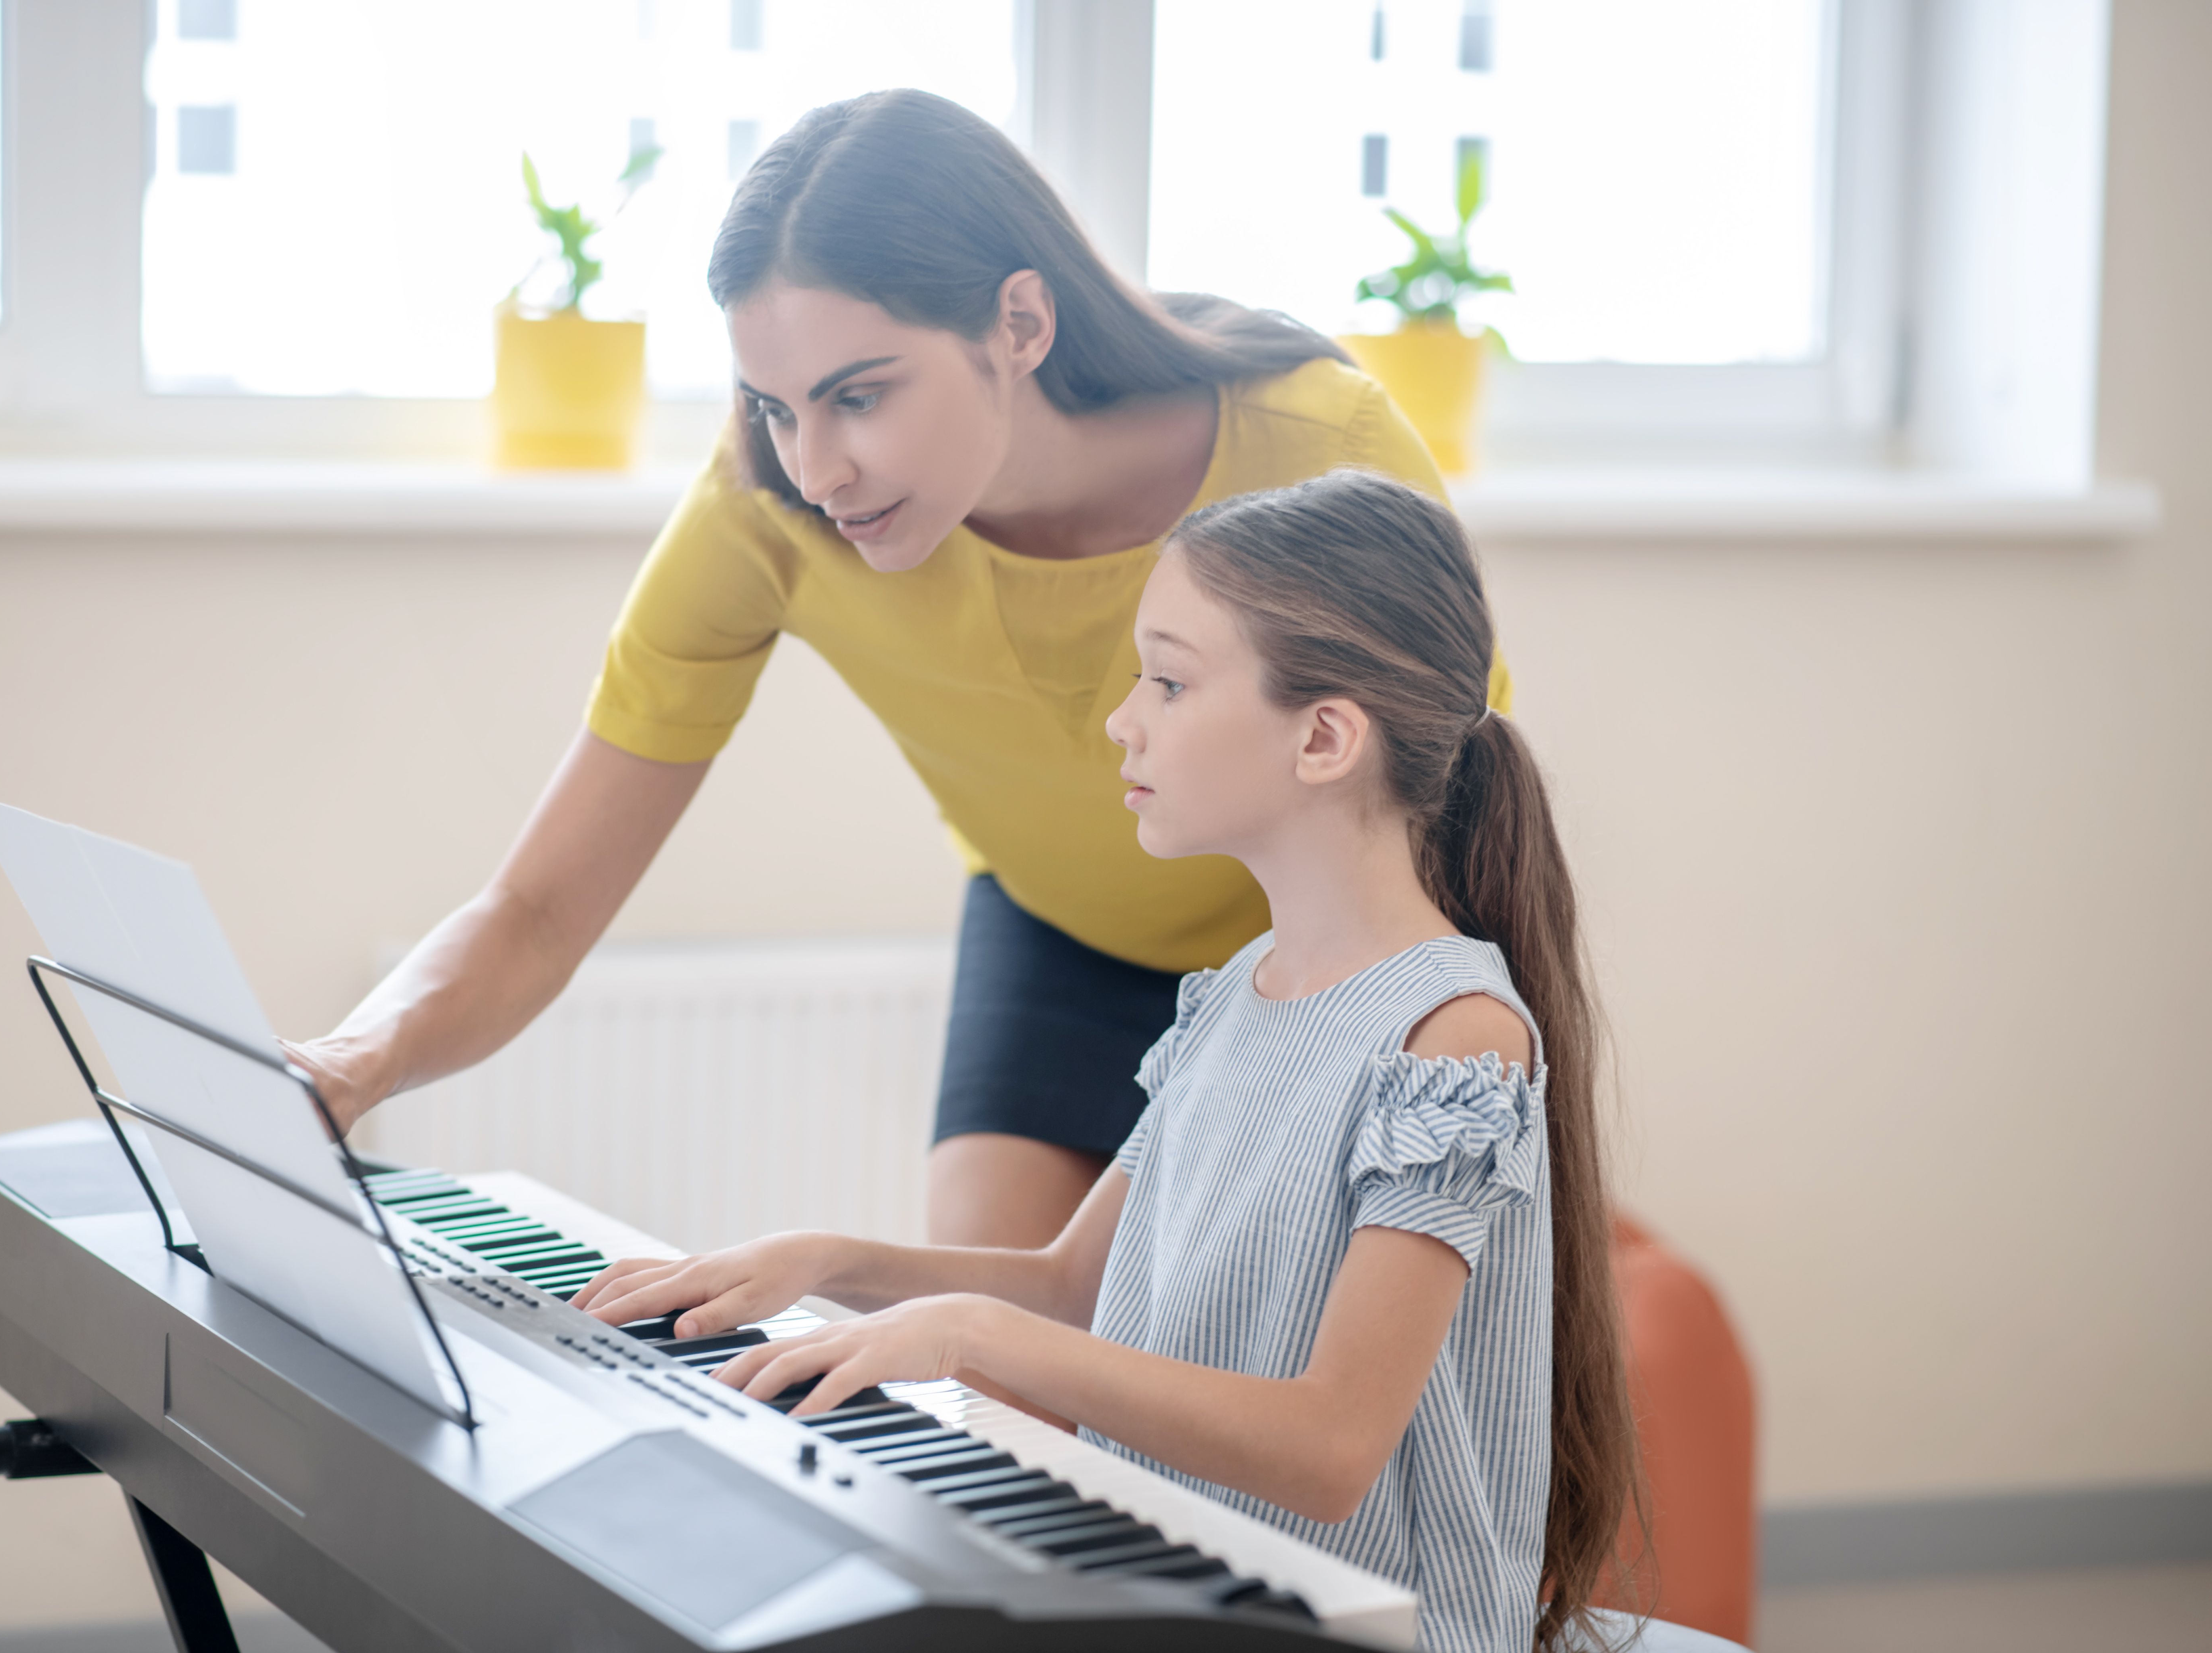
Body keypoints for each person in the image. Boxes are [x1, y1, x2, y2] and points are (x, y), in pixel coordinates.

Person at [287, 89, 1509, 1250]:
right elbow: (539, 910)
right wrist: (349, 1064)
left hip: (1332, 946)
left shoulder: (1321, 444)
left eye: (860, 396)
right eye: (774, 408)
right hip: (1060, 936)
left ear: (1019, 325)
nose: (817, 469)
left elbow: (1466, 811)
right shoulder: (764, 518)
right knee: (995, 1367)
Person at [574, 470, 1635, 1653]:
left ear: (1325, 737)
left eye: (1168, 683)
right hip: (1189, 1585)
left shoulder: (1455, 1037)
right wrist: (824, 1260)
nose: (1124, 721)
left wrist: (972, 1335)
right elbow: (1076, 1287)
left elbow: (1332, 1450)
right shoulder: (1239, 991)